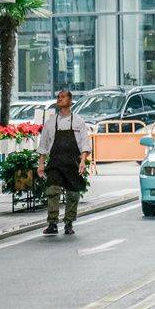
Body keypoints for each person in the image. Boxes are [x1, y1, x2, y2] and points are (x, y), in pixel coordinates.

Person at [37, 88, 92, 236]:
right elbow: (43, 145)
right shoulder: (50, 122)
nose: (59, 99)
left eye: (62, 97)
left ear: (70, 101)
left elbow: (85, 145)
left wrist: (82, 162)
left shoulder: (79, 122)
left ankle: (69, 223)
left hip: (72, 163)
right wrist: (41, 164)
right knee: (52, 190)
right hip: (55, 163)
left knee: (73, 194)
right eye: (58, 97)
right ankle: (52, 223)